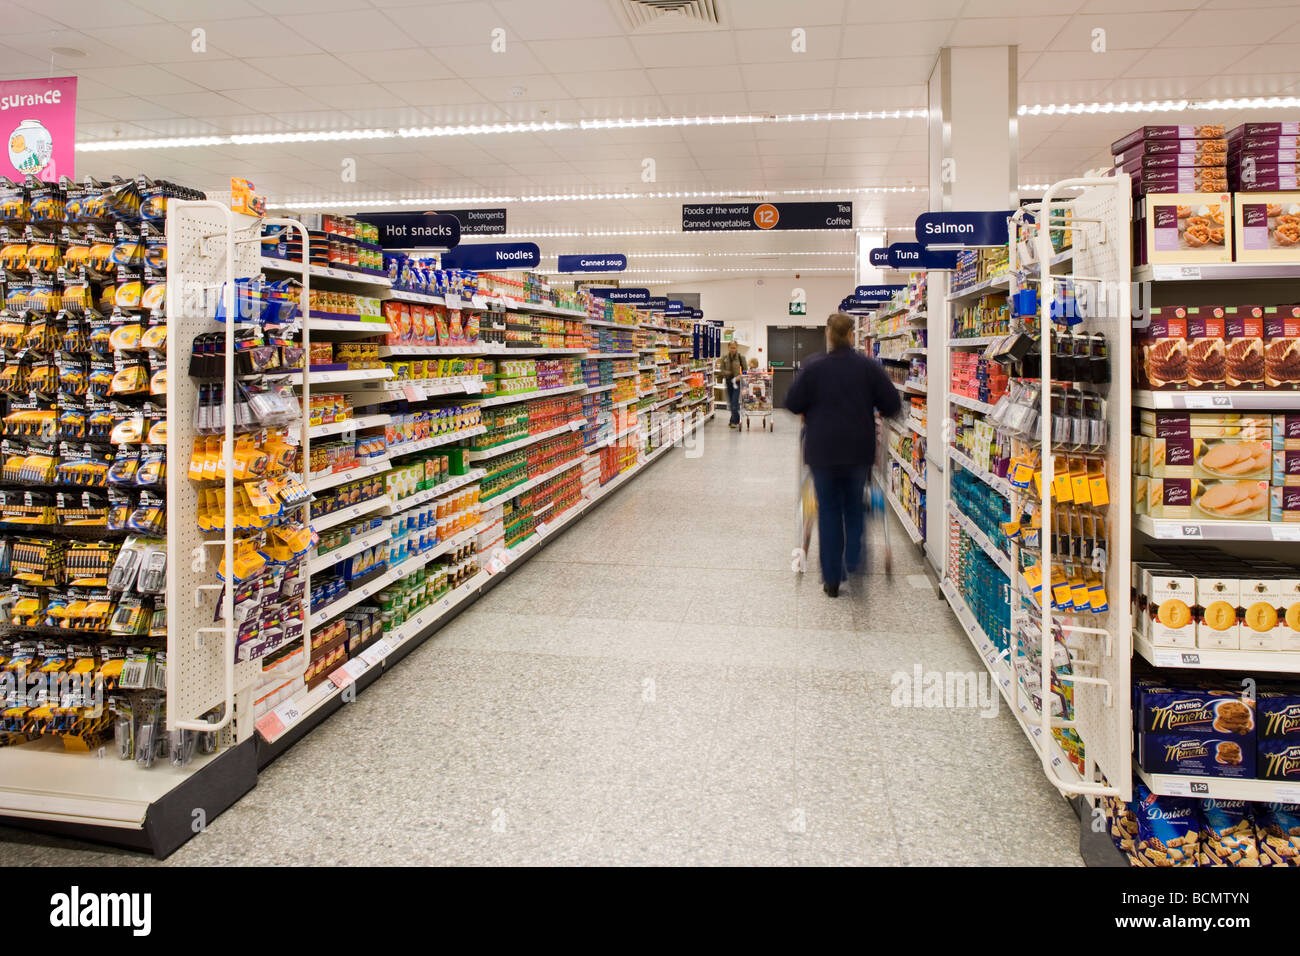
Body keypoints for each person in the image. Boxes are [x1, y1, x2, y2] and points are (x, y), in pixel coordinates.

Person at [784, 312, 902, 597]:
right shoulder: (868, 367)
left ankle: (832, 579)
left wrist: (809, 410)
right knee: (853, 508)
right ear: (852, 335)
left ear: (828, 335)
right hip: (857, 452)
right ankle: (854, 564)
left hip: (822, 452)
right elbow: (892, 404)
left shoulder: (813, 367)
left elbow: (791, 401)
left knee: (828, 511)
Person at [719, 340, 746, 429]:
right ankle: (734, 419)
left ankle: (734, 421)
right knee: (730, 403)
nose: (732, 349)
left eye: (734, 348)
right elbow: (721, 370)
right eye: (731, 347)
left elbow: (745, 371)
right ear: (728, 347)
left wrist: (739, 377)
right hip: (728, 382)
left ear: (737, 347)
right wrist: (727, 373)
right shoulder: (724, 358)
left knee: (734, 402)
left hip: (737, 382)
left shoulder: (741, 357)